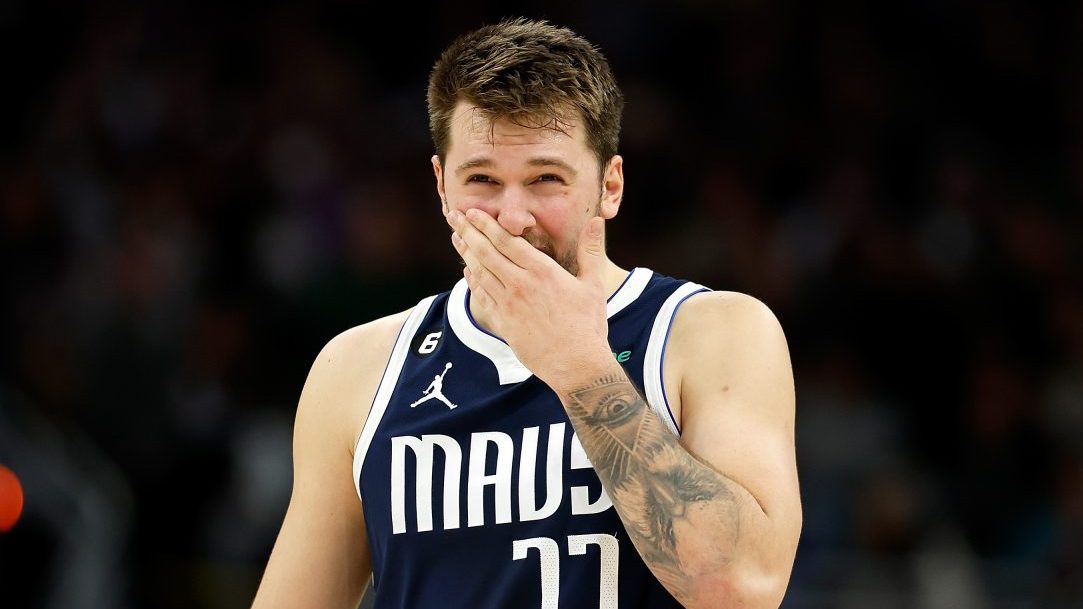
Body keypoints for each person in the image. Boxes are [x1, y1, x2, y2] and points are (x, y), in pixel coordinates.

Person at [250, 17, 801, 609]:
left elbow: (740, 589)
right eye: (482, 179)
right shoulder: (358, 368)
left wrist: (580, 367)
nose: (513, 218)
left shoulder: (714, 333)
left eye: (546, 178)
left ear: (609, 185)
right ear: (441, 187)